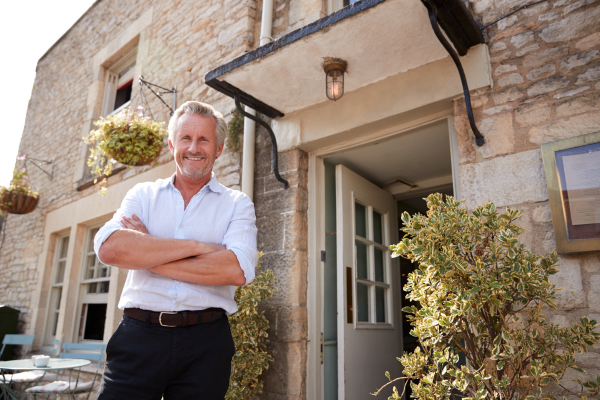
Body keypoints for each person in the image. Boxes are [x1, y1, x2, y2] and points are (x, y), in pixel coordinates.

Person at [93, 101, 258, 400]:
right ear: (172, 144)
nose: (193, 147)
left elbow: (236, 269)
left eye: (204, 139)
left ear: (219, 148)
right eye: (185, 138)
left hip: (206, 343)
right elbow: (111, 249)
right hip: (138, 337)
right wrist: (198, 247)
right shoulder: (142, 195)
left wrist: (149, 254)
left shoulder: (237, 203)